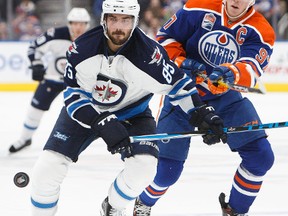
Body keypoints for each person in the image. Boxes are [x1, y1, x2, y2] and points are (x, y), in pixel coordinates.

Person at [29, 0, 227, 216]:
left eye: (125, 20)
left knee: (145, 168)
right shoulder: (81, 49)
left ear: (134, 21)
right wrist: (101, 122)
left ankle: (113, 207)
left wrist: (200, 113)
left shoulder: (150, 56)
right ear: (104, 19)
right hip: (86, 113)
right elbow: (73, 94)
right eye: (113, 19)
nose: (118, 27)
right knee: (45, 171)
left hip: (133, 114)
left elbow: (178, 85)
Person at [134, 0, 275, 215]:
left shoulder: (260, 30)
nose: (237, 0)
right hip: (182, 93)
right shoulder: (199, 7)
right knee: (167, 172)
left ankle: (235, 210)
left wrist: (232, 73)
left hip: (225, 99)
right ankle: (143, 202)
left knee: (260, 157)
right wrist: (181, 63)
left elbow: (252, 67)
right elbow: (164, 39)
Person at [9, 7, 91, 153]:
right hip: (53, 79)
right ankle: (25, 138)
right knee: (35, 109)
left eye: (82, 23)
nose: (78, 27)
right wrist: (37, 64)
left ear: (87, 24)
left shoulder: (93, 39)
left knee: (88, 112)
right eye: (75, 23)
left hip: (80, 84)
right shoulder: (55, 34)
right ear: (69, 23)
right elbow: (34, 47)